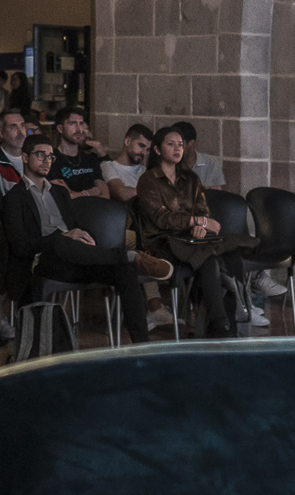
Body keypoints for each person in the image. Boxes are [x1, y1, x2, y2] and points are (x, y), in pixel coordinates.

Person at [1, 135, 171, 343]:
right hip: (45, 261)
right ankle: (131, 256)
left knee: (124, 271)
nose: (47, 160)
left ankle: (142, 345)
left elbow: (73, 227)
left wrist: (80, 236)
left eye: (50, 156)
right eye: (40, 155)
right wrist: (60, 237)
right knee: (61, 240)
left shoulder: (60, 192)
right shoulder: (14, 198)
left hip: (77, 257)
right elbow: (20, 246)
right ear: (25, 157)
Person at [135, 125, 249, 336]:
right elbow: (161, 219)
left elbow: (201, 210)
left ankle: (227, 319)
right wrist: (197, 222)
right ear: (157, 150)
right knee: (210, 259)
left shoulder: (191, 178)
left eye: (180, 144)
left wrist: (199, 226)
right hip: (162, 242)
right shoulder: (148, 180)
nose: (177, 148)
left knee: (230, 256)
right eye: (171, 144)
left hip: (190, 240)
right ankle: (222, 323)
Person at [50, 109, 111, 197]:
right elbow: (64, 196)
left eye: (81, 124)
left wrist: (76, 194)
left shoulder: (90, 159)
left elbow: (105, 195)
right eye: (73, 123)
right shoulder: (51, 159)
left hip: (97, 205)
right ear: (60, 128)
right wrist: (90, 192)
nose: (79, 129)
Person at [100, 123, 154, 204]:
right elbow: (122, 193)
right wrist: (155, 192)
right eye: (141, 146)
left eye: (148, 149)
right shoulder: (108, 166)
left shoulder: (144, 170)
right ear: (127, 141)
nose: (144, 153)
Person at [169, 120, 227, 189]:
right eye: (171, 144)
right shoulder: (169, 163)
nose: (174, 148)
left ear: (191, 143)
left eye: (179, 144)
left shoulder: (211, 162)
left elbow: (218, 190)